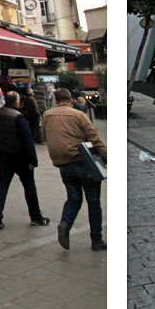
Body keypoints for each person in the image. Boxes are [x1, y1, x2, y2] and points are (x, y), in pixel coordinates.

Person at [43, 87, 106, 251]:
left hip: (63, 164)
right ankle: (96, 240)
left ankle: (65, 223)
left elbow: (45, 135)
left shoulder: (47, 115)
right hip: (83, 162)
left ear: (55, 100)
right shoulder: (79, 115)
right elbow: (95, 138)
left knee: (73, 198)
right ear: (71, 100)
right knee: (93, 202)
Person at [0, 90, 49, 230]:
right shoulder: (18, 117)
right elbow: (28, 141)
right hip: (19, 156)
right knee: (29, 186)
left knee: (3, 183)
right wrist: (33, 160)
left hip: (3, 154)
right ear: (16, 102)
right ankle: (36, 216)